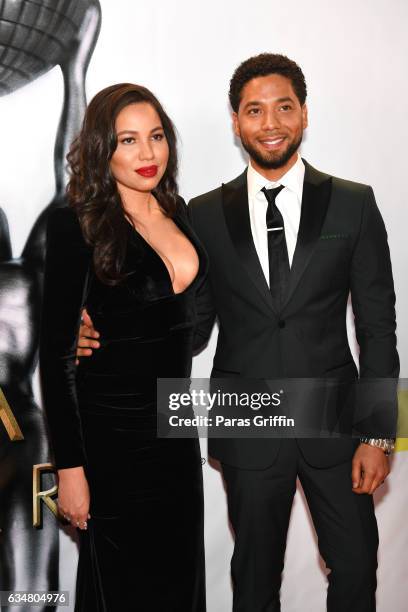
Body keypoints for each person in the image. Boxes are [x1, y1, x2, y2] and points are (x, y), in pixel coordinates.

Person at [77, 55, 399, 611]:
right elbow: (188, 324)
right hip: (244, 416)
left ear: (303, 114)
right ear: (235, 121)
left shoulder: (354, 202)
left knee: (357, 569)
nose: (270, 122)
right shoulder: (198, 215)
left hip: (334, 421)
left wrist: (378, 433)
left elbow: (378, 323)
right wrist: (87, 330)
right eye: (255, 110)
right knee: (253, 580)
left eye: (283, 107)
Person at [39, 83, 207, 612]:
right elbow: (56, 356)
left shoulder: (176, 210)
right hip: (113, 445)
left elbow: (185, 321)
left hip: (176, 440)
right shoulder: (76, 224)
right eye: (128, 140)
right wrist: (70, 470)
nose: (147, 153)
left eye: (156, 137)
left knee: (181, 586)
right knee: (123, 593)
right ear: (100, 149)